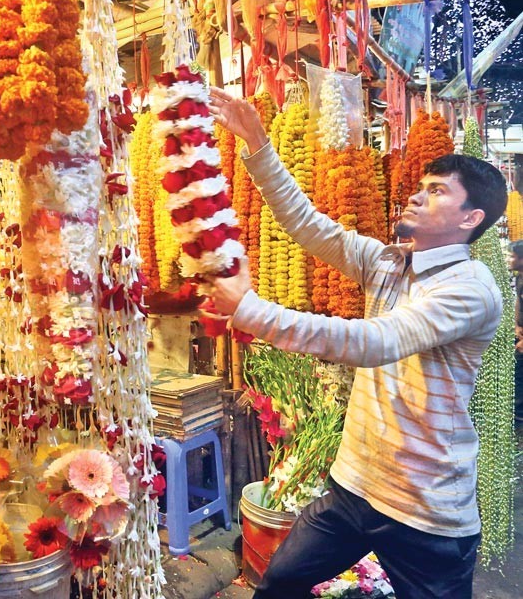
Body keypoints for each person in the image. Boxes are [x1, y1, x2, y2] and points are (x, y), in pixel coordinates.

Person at [207, 87, 508, 599]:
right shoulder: (389, 262)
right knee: (278, 583)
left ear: (470, 219)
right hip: (355, 485)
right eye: (421, 186)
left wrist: (250, 309)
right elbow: (308, 225)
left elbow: (376, 341)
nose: (417, 195)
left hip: (424, 510)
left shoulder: (471, 288)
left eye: (437, 191)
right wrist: (257, 145)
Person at [509, 240, 523, 429]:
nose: (509, 259)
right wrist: (516, 325)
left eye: (512, 256)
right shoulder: (520, 276)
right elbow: (519, 303)